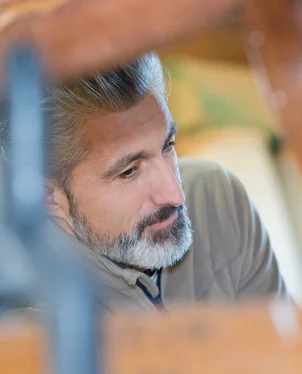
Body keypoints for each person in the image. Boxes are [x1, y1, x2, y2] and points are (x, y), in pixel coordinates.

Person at [0, 53, 286, 312]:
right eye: (129, 172)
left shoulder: (216, 196)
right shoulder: (24, 311)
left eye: (168, 145)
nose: (175, 195)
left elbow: (294, 362)